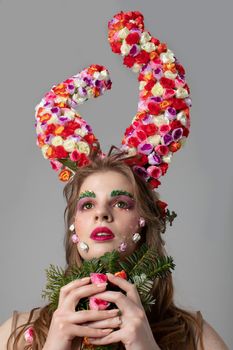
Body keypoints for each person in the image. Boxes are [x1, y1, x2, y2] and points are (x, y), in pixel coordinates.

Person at [0, 10, 229, 349]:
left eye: (120, 202)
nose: (101, 214)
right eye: (88, 203)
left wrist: (146, 345)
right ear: (73, 225)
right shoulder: (18, 334)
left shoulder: (194, 337)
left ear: (144, 220)